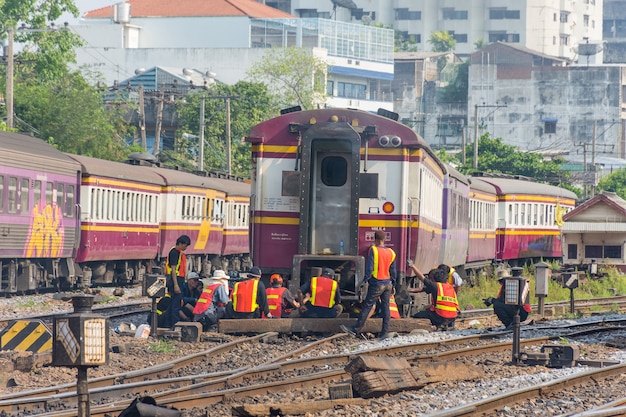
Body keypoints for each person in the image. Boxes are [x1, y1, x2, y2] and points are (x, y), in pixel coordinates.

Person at [341, 230, 397, 340]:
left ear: (375, 240)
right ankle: (384, 333)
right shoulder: (391, 252)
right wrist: (393, 284)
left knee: (368, 305)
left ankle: (355, 329)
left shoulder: (374, 250)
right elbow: (393, 270)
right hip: (387, 283)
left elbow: (370, 267)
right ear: (384, 240)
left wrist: (365, 280)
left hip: (377, 282)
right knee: (386, 307)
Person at [407, 263, 459, 330]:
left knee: (417, 316)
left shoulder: (435, 286)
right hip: (452, 317)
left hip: (441, 316)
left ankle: (433, 326)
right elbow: (421, 289)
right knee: (429, 310)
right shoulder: (450, 287)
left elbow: (422, 278)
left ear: (435, 279)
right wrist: (408, 290)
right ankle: (441, 326)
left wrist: (413, 266)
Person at [165, 234, 191, 328]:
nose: (186, 247)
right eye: (185, 245)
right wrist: (176, 285)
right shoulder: (174, 253)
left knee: (173, 305)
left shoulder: (178, 252)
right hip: (175, 281)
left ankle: (169, 324)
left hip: (177, 280)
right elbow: (173, 269)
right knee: (176, 305)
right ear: (180, 243)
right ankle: (174, 325)